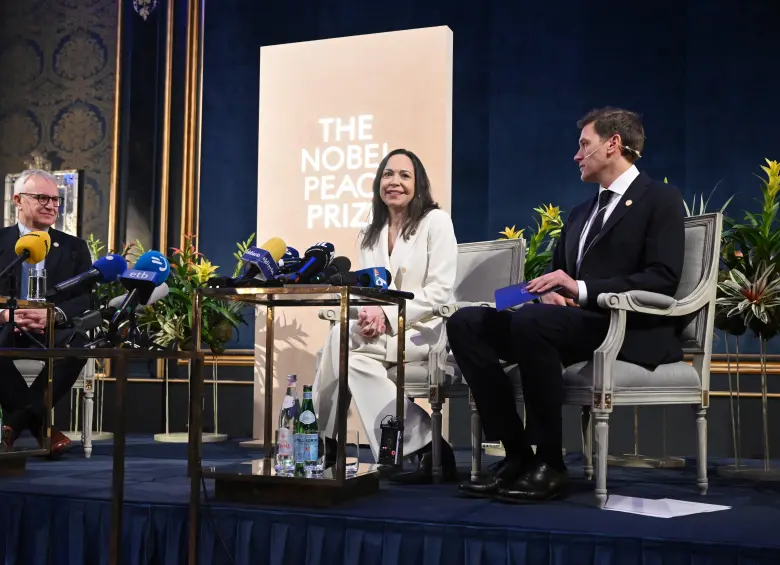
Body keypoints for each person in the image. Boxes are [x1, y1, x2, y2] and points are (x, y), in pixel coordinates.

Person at [447, 107, 685, 502]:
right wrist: (535, 293)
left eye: (583, 145)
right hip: (560, 325)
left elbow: (663, 277)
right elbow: (555, 278)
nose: (576, 156)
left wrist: (581, 289)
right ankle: (517, 454)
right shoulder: (580, 213)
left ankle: (550, 462)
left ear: (613, 145)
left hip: (619, 324)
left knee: (534, 323)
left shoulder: (659, 199)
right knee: (466, 323)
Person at [312, 148, 459, 484]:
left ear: (418, 184)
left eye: (404, 176)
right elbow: (370, 291)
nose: (394, 182)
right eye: (388, 175)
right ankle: (428, 447)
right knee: (348, 350)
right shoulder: (370, 233)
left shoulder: (436, 222)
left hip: (426, 331)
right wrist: (367, 314)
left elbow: (439, 292)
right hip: (383, 332)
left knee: (340, 345)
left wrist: (386, 318)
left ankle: (326, 443)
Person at [0, 169, 92, 457]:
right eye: (42, 198)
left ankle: (14, 422)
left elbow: (87, 297)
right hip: (6, 328)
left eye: (56, 199)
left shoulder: (74, 247)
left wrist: (54, 315)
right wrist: (5, 315)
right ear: (18, 199)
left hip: (54, 330)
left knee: (80, 345)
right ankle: (43, 428)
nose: (52, 205)